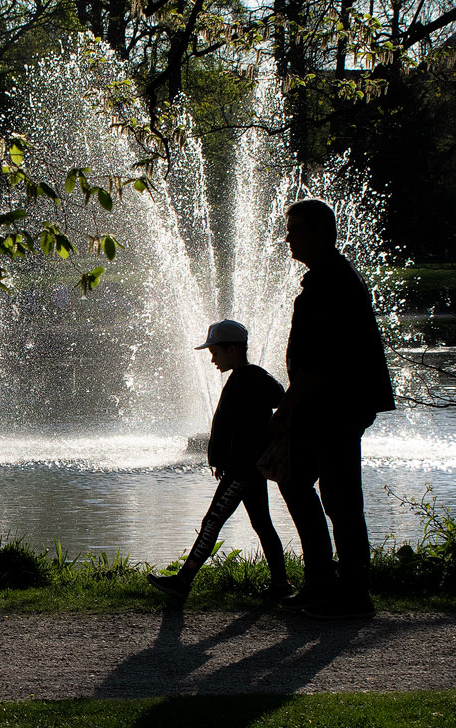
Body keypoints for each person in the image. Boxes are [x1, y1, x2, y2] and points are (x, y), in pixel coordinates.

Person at [269, 198, 395, 620]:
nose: (288, 238)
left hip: (335, 405)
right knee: (297, 481)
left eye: (297, 230)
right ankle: (325, 580)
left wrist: (286, 409)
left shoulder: (332, 283)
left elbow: (319, 363)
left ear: (321, 233)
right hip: (327, 404)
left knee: (339, 499)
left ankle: (352, 592)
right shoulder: (325, 278)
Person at [147, 319, 292, 600]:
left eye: (215, 351)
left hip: (242, 471)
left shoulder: (244, 379)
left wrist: (228, 458)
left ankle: (183, 581)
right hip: (248, 468)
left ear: (233, 350)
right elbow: (278, 399)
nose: (212, 359)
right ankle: (280, 584)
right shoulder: (253, 377)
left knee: (212, 522)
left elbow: (235, 425)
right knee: (262, 523)